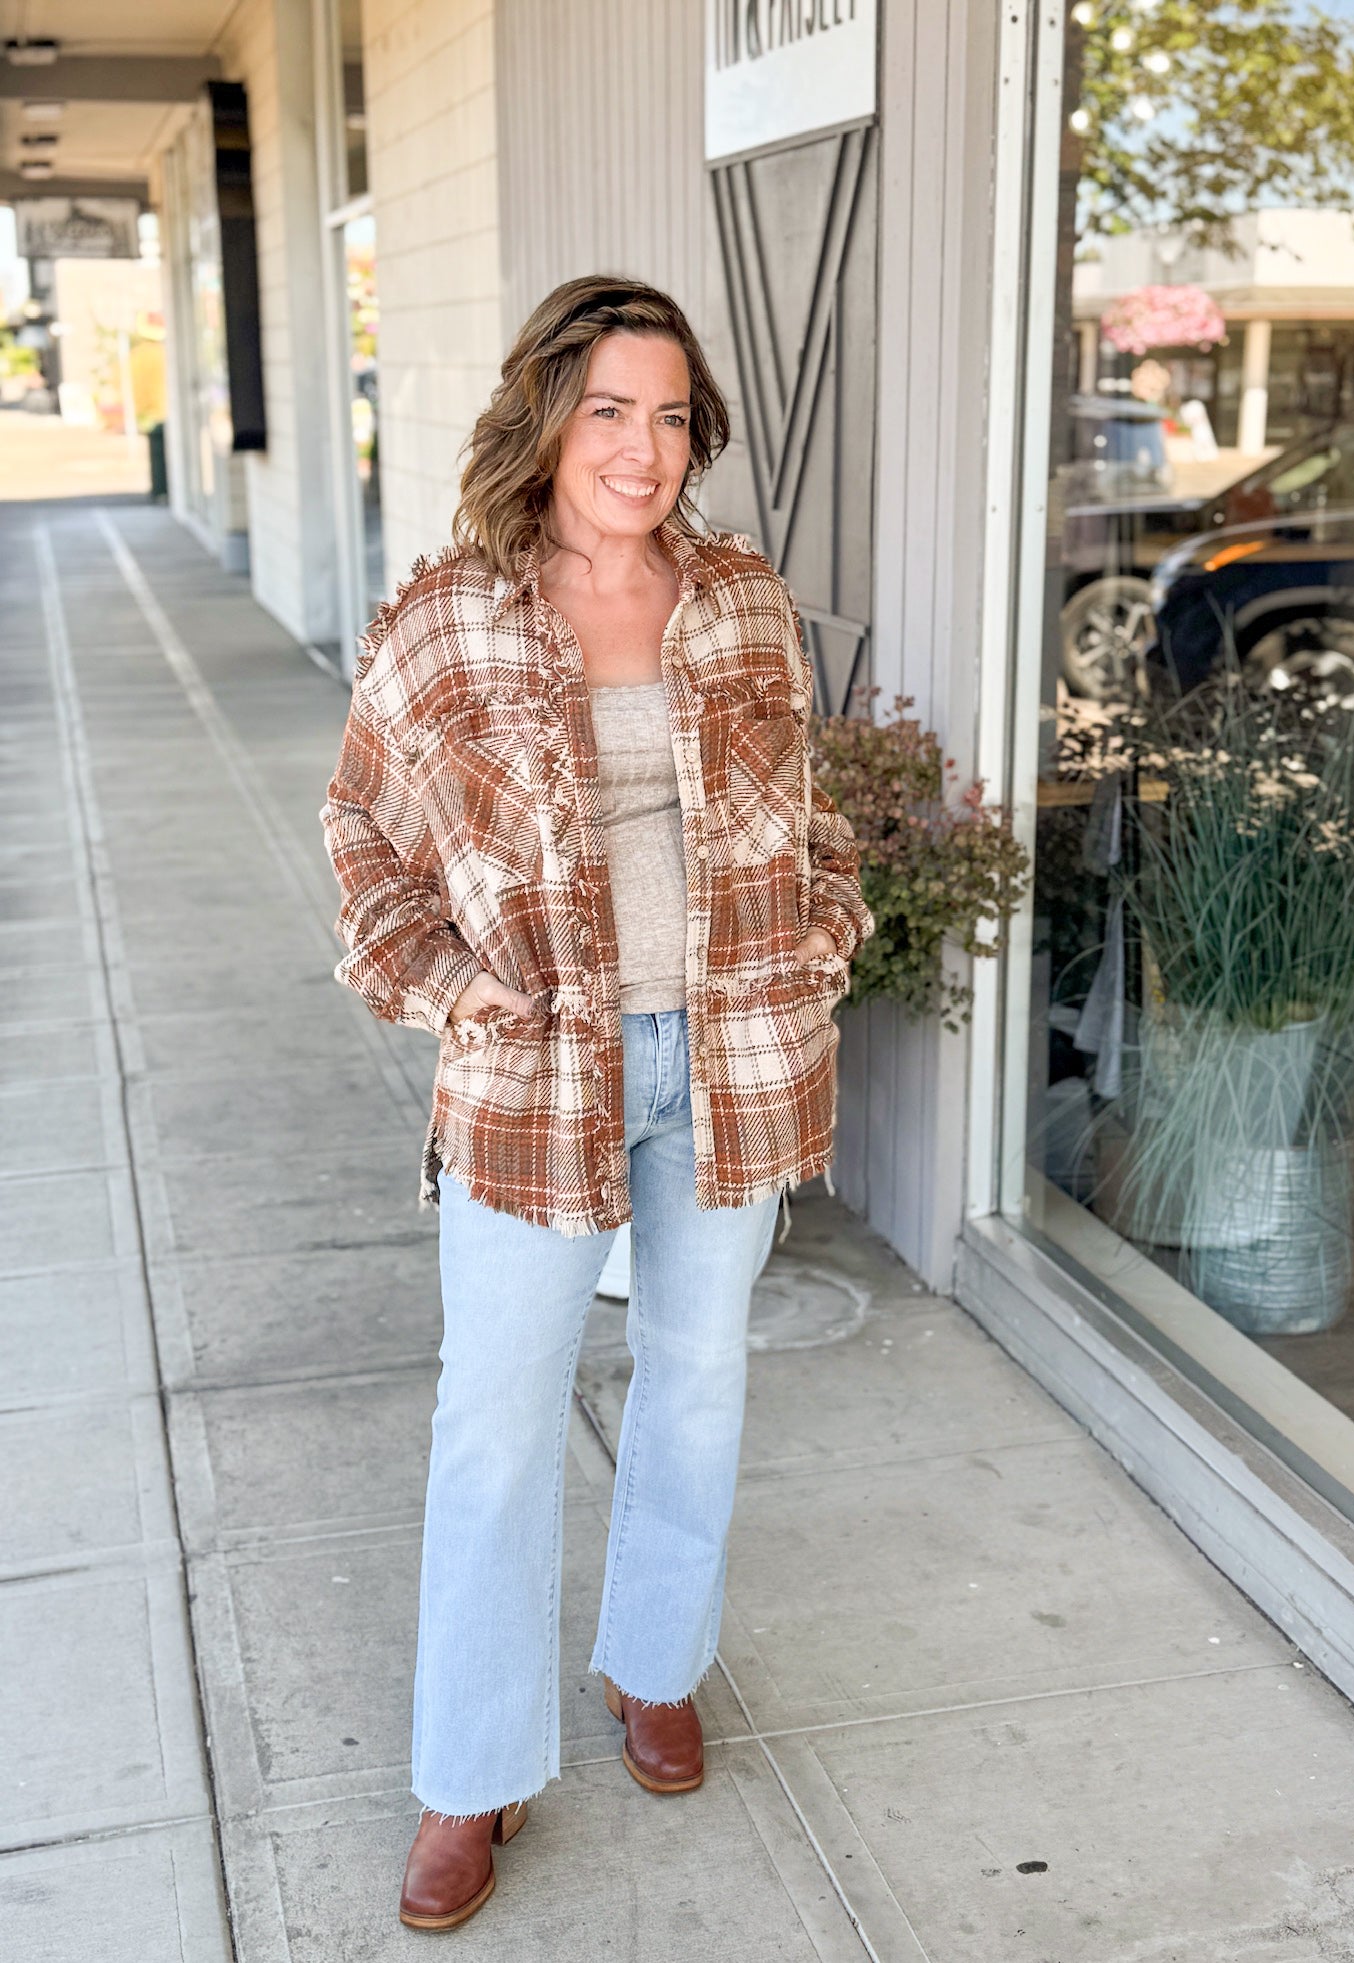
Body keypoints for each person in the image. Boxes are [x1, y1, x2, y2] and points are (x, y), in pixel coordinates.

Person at [321, 273, 873, 1932]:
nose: (643, 447)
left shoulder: (743, 602)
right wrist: (452, 986)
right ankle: (469, 1773)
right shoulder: (450, 619)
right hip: (532, 1071)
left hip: (728, 1064)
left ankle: (654, 1661)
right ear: (550, 416)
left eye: (673, 416)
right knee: (495, 1420)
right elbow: (363, 832)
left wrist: (820, 942)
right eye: (612, 409)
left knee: (696, 1378)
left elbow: (811, 820)